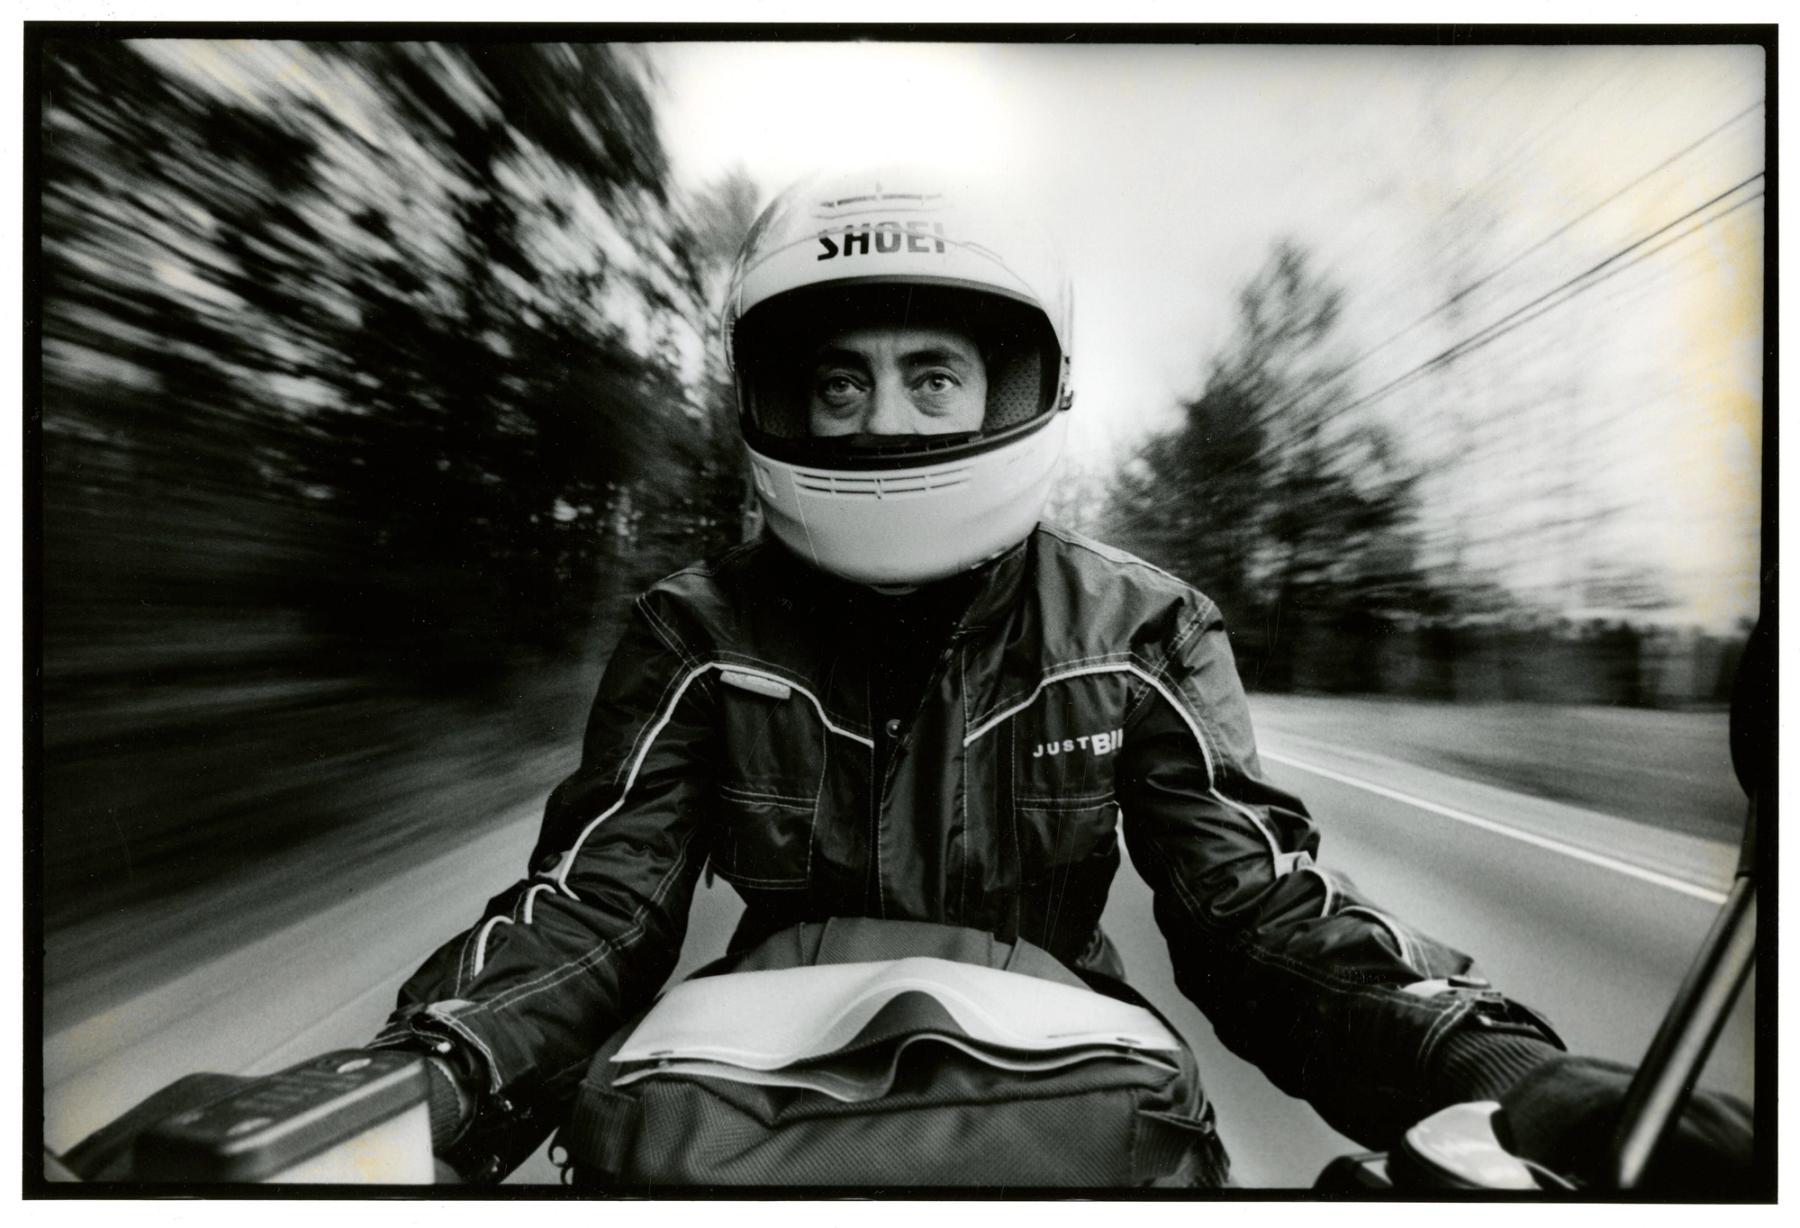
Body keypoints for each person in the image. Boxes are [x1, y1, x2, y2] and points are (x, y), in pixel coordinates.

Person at [367, 166, 1743, 1189]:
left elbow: (1253, 914)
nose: (885, 416)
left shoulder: (1140, 628)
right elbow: (595, 909)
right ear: (777, 400)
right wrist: (415, 1079)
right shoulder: (696, 627)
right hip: (740, 1098)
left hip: (1074, 1095)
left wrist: (1486, 1066)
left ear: (1016, 385)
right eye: (840, 384)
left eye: (933, 376)